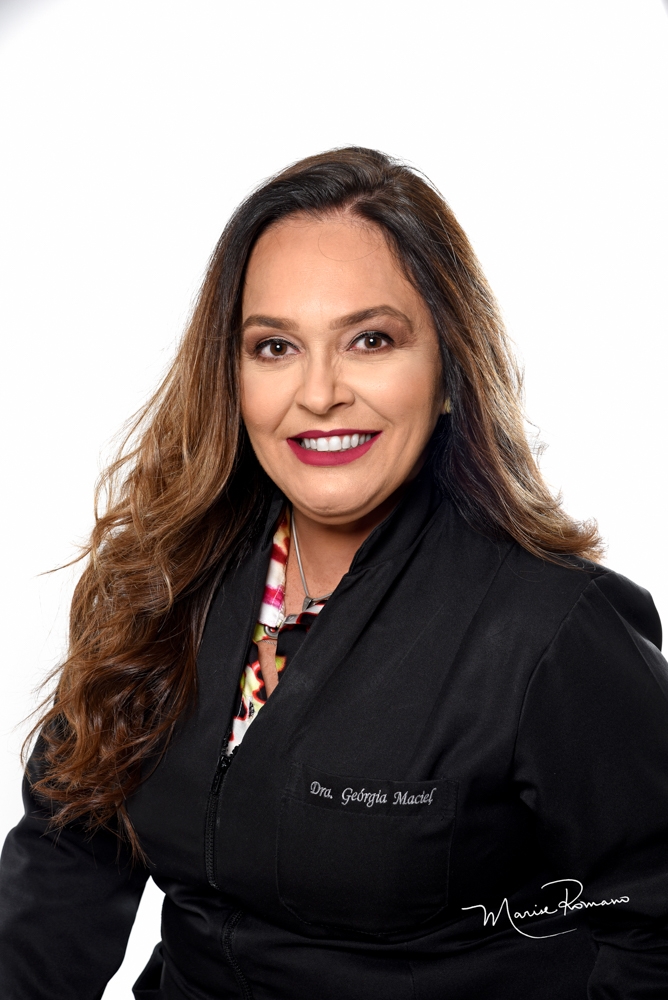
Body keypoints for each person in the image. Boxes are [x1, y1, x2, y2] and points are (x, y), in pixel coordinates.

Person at [1, 147, 667, 1000]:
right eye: (275, 346)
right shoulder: (163, 579)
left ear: (449, 369)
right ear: (232, 376)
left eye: (370, 340)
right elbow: (66, 855)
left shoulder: (551, 629)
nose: (318, 393)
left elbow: (653, 930)